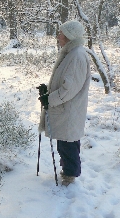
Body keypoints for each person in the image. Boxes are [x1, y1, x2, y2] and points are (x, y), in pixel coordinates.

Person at [38, 20, 91, 186]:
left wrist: (50, 99)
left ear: (69, 36)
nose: (58, 36)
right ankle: (68, 172)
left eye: (61, 33)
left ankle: (69, 176)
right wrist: (47, 90)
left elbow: (69, 89)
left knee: (68, 145)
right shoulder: (71, 53)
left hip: (69, 110)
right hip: (66, 109)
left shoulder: (76, 56)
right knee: (66, 143)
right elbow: (64, 82)